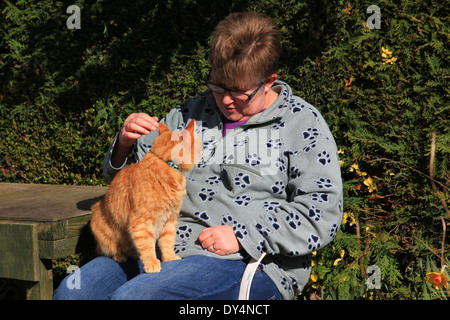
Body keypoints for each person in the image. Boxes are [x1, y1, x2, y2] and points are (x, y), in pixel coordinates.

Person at [54, 11, 343, 300]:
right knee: (72, 293)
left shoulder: (301, 124)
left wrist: (244, 237)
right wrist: (124, 145)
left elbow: (321, 212)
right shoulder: (189, 114)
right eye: (218, 86)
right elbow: (125, 184)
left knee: (137, 298)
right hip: (157, 248)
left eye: (239, 91)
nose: (226, 100)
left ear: (269, 81)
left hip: (247, 263)